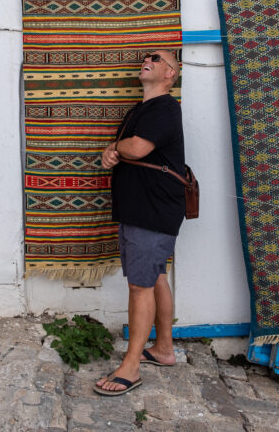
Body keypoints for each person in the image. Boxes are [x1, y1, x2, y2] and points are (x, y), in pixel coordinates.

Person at [94, 49, 186, 396]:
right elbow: (125, 149)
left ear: (170, 74)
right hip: (144, 206)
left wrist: (117, 147)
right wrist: (113, 150)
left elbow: (137, 149)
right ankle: (163, 349)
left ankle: (130, 367)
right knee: (155, 276)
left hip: (152, 208)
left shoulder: (163, 107)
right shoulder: (142, 109)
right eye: (145, 57)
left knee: (140, 286)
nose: (146, 60)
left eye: (156, 58)